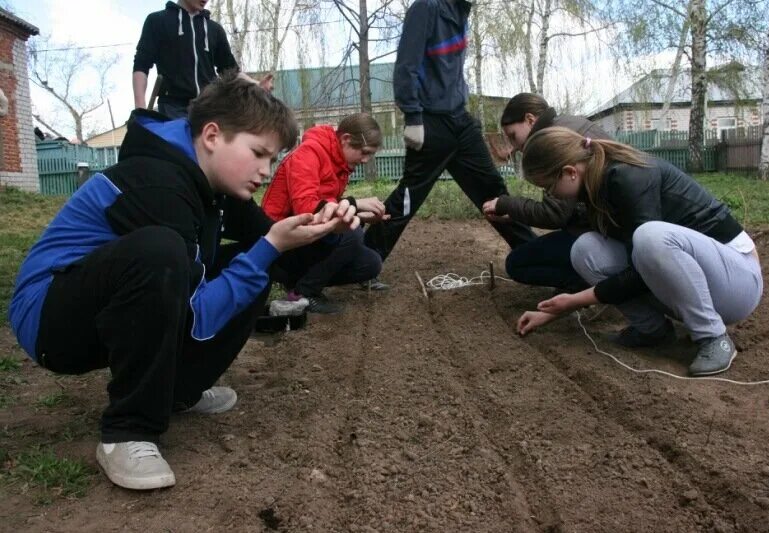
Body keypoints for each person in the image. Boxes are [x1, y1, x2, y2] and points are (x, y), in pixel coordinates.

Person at [9, 72, 359, 490]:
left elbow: (279, 248)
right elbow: (193, 315)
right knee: (162, 252)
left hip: (109, 305)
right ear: (213, 135)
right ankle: (128, 431)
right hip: (50, 317)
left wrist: (327, 230)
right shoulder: (156, 181)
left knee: (252, 263)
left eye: (273, 159)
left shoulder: (221, 182)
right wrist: (268, 247)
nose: (267, 171)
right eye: (259, 153)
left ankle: (177, 391)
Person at [515, 127, 762, 377]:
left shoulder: (627, 177)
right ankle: (652, 330)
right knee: (585, 248)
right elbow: (639, 266)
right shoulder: (596, 184)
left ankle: (713, 336)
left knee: (650, 237)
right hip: (703, 280)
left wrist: (572, 302)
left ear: (569, 172)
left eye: (547, 187)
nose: (549, 195)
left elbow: (640, 271)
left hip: (738, 283)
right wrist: (551, 312)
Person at [362, 0, 533, 268]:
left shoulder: (462, 11)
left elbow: (448, 71)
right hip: (431, 123)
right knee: (409, 197)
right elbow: (407, 64)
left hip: (460, 121)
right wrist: (413, 116)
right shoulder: (427, 8)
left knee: (493, 190)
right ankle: (363, 260)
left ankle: (534, 253)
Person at [482, 93, 612, 291]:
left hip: (604, 235)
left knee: (517, 263)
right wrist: (514, 213)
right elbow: (567, 208)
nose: (515, 147)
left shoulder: (555, 142)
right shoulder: (567, 126)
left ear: (530, 120)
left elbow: (555, 214)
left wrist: (505, 204)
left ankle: (591, 285)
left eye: (513, 136)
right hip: (609, 228)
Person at [262, 114, 387, 313]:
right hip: (279, 241)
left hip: (306, 239)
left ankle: (297, 280)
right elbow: (306, 208)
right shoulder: (309, 153)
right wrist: (353, 204)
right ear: (345, 139)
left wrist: (363, 214)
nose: (365, 160)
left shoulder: (340, 163)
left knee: (371, 263)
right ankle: (302, 293)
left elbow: (327, 205)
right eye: (364, 152)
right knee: (351, 232)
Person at [133, 1, 273, 118]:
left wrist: (256, 84)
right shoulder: (157, 21)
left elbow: (230, 70)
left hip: (209, 109)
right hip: (172, 109)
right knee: (179, 151)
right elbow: (141, 66)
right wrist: (140, 110)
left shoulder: (215, 29)